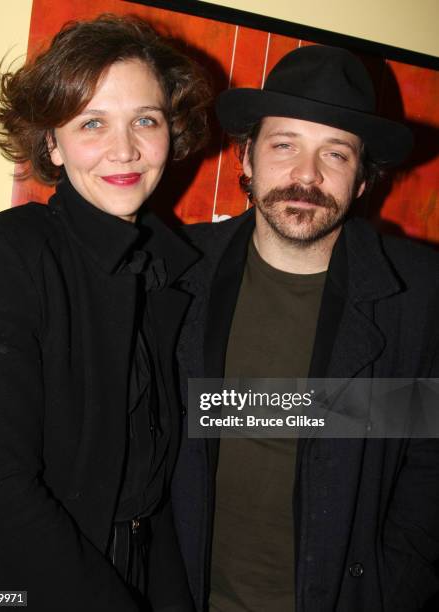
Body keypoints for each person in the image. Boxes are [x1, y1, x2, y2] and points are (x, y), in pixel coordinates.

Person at [172, 45, 439, 611]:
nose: (306, 175)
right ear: (246, 158)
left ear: (363, 179)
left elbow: (428, 467)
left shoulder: (422, 297)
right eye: (285, 144)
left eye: (336, 154)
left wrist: (393, 592)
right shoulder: (173, 272)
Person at [0, 14, 211, 611]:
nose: (124, 149)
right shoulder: (11, 252)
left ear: (170, 133)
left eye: (145, 121)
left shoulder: (173, 268)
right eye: (92, 123)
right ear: (52, 141)